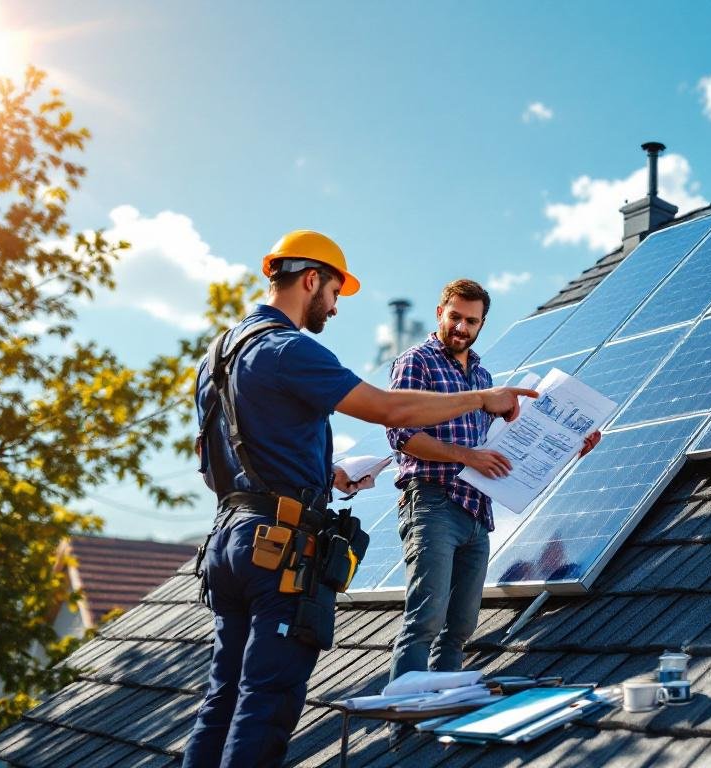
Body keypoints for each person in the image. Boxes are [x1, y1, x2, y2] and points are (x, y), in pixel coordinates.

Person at [182, 234, 536, 768]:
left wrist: (329, 475)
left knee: (222, 698)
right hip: (276, 552)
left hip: (229, 541)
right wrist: (483, 398)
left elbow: (226, 460)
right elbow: (387, 409)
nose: (335, 304)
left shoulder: (219, 355)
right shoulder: (289, 349)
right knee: (265, 704)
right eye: (334, 291)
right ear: (310, 280)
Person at [386, 279, 599, 680]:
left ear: (482, 324)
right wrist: (467, 456)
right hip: (433, 503)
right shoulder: (417, 361)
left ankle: (437, 712)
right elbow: (402, 435)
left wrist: (570, 445)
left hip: (476, 511)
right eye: (455, 318)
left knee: (460, 628)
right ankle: (403, 725)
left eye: (471, 321)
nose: (461, 328)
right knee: (425, 620)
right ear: (439, 314)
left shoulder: (484, 377)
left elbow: (509, 449)